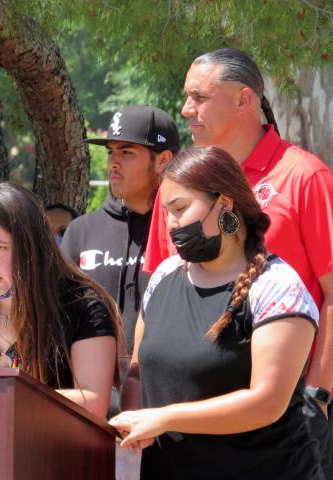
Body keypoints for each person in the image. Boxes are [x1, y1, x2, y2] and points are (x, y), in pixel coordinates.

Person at [143, 48, 333, 475]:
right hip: (183, 435)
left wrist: (316, 393)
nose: (186, 109)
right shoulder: (178, 188)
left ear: (244, 100)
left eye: (199, 97)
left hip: (281, 425)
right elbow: (160, 287)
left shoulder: (304, 177)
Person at [110, 146, 322, 479]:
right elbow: (137, 371)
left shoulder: (277, 285)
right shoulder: (165, 276)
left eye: (180, 208)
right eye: (165, 212)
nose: (171, 224)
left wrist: (165, 418)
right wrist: (135, 417)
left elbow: (266, 402)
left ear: (224, 204)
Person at [62, 104, 180, 373]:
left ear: (163, 160)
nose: (113, 162)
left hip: (162, 389)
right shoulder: (80, 231)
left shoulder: (182, 231)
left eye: (127, 152)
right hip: (89, 386)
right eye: (111, 152)